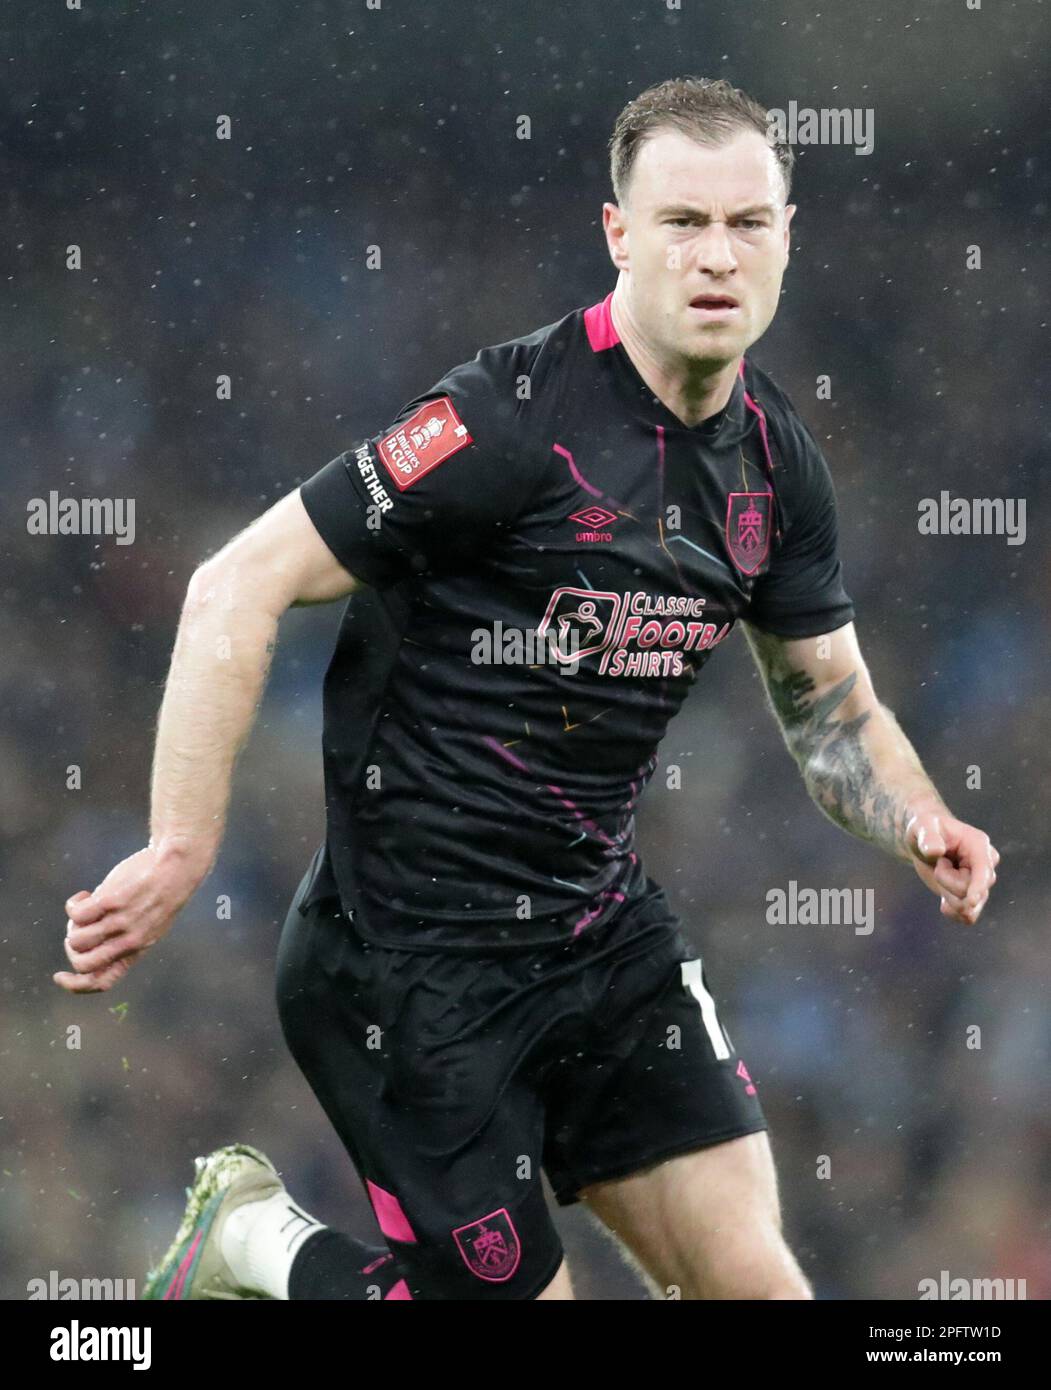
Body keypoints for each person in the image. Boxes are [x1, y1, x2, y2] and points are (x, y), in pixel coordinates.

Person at [56, 76, 999, 1302]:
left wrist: (916, 816)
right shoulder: (501, 421)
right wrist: (180, 845)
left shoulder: (778, 467)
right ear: (618, 235)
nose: (717, 256)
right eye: (680, 223)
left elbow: (832, 712)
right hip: (408, 975)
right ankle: (256, 1241)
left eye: (747, 223)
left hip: (603, 947)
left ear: (786, 238)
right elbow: (234, 584)